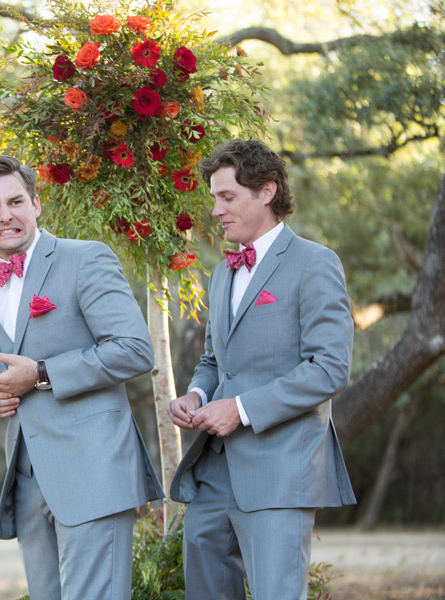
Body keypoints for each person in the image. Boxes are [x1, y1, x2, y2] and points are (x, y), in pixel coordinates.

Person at [0, 154, 164, 599]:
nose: (6, 215)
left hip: (93, 471)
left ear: (37, 204)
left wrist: (40, 373)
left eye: (15, 201)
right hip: (28, 482)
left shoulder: (85, 259)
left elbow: (134, 350)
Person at [168, 140, 356, 600]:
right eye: (214, 198)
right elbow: (214, 360)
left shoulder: (315, 264)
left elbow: (329, 368)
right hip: (212, 471)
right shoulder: (222, 274)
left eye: (226, 197)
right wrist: (196, 393)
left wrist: (242, 409)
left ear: (267, 191)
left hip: (280, 468)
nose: (216, 210)